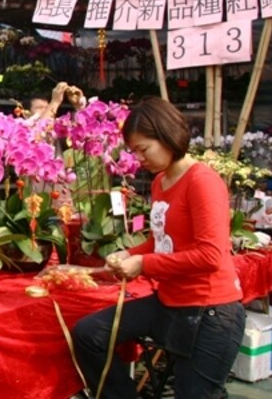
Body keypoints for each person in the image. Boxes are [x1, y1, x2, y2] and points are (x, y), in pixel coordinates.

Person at [72, 96, 245, 398]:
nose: (139, 159)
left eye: (143, 149)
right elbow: (161, 242)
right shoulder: (160, 182)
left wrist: (143, 265)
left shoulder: (202, 182)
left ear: (167, 136)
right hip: (170, 301)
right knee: (89, 334)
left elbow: (211, 256)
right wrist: (128, 254)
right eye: (134, 152)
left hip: (210, 312)